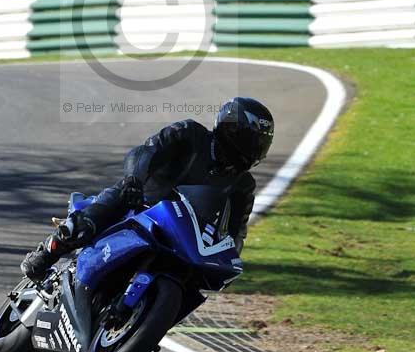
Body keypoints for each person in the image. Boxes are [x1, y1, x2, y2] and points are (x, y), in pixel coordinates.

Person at [21, 97, 275, 283]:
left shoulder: (243, 185)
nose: (255, 148)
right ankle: (48, 251)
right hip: (140, 200)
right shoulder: (191, 134)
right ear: (232, 130)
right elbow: (146, 152)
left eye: (261, 143)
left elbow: (236, 231)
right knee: (103, 210)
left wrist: (230, 258)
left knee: (194, 281)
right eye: (251, 140)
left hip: (181, 234)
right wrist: (134, 179)